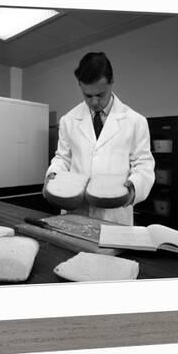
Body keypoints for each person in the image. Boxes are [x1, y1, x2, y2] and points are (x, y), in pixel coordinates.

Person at [44, 51, 155, 225]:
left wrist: (132, 189)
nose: (94, 102)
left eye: (100, 95)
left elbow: (144, 165)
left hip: (115, 216)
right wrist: (53, 176)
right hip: (75, 211)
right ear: (80, 85)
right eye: (88, 96)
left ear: (111, 83)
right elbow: (63, 158)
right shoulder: (68, 120)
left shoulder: (135, 121)